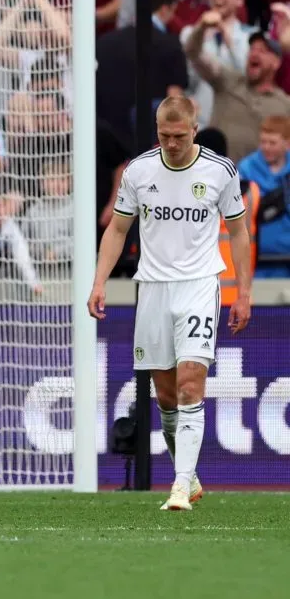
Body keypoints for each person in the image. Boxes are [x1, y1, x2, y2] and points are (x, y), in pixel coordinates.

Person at [87, 95, 252, 512]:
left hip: (199, 285)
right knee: (164, 396)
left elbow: (238, 233)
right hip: (153, 289)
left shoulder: (219, 171)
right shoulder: (140, 170)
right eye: (164, 136)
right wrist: (98, 281)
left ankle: (179, 487)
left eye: (179, 136)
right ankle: (189, 476)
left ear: (194, 130)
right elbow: (117, 229)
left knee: (191, 382)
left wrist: (243, 293)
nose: (172, 144)